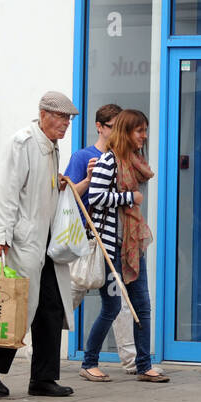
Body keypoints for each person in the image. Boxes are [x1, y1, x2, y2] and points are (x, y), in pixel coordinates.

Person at [0, 92, 80, 398]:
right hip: (23, 241)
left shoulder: (51, 147)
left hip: (46, 243)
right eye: (62, 118)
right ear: (44, 114)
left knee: (51, 309)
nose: (66, 125)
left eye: (69, 120)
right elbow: (8, 191)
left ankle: (43, 378)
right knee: (20, 307)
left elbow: (38, 190)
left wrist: (56, 183)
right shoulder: (24, 143)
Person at [82, 109, 169, 383]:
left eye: (145, 130)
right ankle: (89, 362)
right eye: (139, 130)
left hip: (131, 247)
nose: (143, 136)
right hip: (109, 247)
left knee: (142, 305)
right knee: (112, 307)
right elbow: (95, 196)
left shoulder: (133, 162)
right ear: (126, 133)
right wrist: (129, 197)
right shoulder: (108, 161)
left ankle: (144, 365)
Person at [65, 103, 138, 376]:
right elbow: (69, 195)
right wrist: (89, 178)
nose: (118, 132)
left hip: (111, 241)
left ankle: (130, 360)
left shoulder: (123, 159)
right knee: (69, 298)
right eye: (112, 126)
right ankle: (29, 347)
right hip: (85, 240)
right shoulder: (83, 156)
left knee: (116, 302)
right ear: (100, 127)